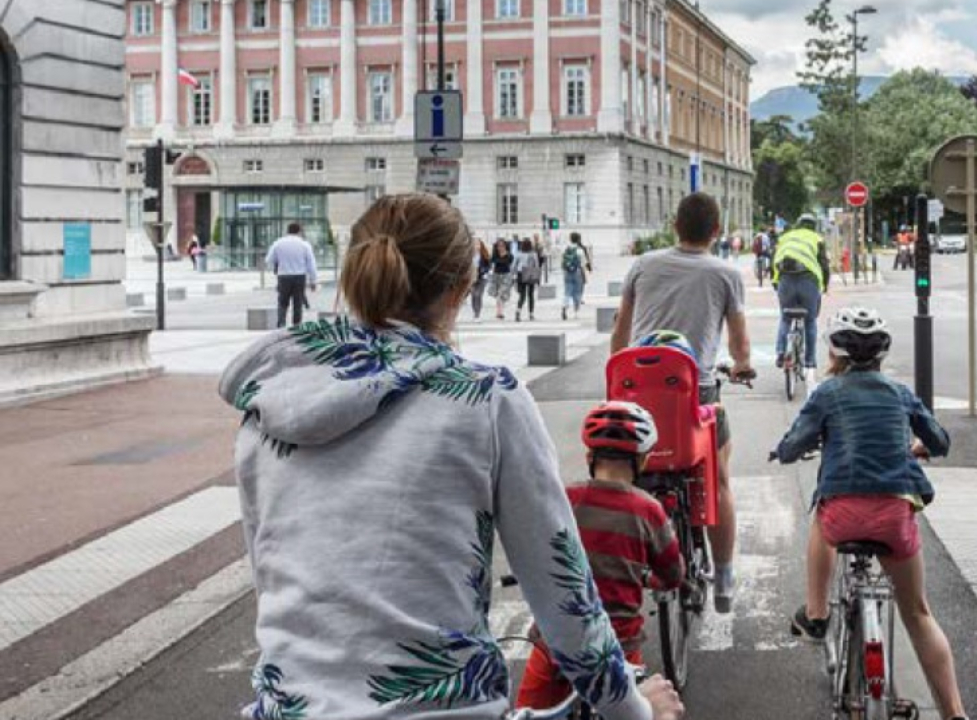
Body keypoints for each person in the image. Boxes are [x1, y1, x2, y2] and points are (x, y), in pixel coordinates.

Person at [219, 194, 683, 720]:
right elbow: (565, 598)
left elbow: (273, 574)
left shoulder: (270, 405)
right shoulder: (486, 400)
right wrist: (636, 710)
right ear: (463, 288)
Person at [772, 307, 967, 720]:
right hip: (895, 516)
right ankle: (954, 713)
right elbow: (940, 441)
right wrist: (916, 447)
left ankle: (818, 613)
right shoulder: (900, 394)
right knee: (917, 612)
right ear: (882, 353)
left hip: (843, 516)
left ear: (835, 352)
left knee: (822, 514)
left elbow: (794, 444)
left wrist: (784, 451)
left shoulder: (827, 394)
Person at [611, 191, 753, 613]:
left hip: (636, 385)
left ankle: (629, 568)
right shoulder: (725, 273)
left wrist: (617, 373)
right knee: (718, 479)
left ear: (674, 225)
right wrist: (742, 365)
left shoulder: (644, 265)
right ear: (717, 232)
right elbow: (739, 340)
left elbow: (622, 326)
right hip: (696, 389)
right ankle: (724, 575)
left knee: (633, 474)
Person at [516, 401, 685, 710]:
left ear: (589, 457)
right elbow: (673, 574)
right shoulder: (649, 511)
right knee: (643, 708)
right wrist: (650, 577)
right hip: (618, 648)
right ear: (644, 461)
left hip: (555, 645)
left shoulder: (565, 498)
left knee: (530, 712)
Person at [771, 213, 830, 371]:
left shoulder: (785, 237)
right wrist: (825, 284)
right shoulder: (817, 239)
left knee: (785, 318)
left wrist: (775, 282)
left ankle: (781, 352)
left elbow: (774, 259)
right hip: (808, 280)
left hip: (785, 280)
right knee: (810, 320)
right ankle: (810, 360)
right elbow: (824, 264)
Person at [264, 222, 318, 328]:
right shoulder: (304, 245)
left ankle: (281, 323)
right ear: (299, 231)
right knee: (297, 303)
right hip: (299, 276)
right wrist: (313, 281)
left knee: (282, 302)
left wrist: (279, 264)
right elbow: (311, 264)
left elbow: (269, 260)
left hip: (283, 276)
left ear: (287, 231)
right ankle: (296, 325)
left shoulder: (278, 243)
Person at [561, 232, 592, 320]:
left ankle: (564, 306)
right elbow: (584, 262)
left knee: (567, 291)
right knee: (577, 292)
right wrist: (588, 269)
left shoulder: (566, 249)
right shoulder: (580, 250)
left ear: (570, 239)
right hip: (577, 272)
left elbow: (563, 261)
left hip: (567, 272)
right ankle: (576, 312)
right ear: (578, 239)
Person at [513, 238, 541, 322]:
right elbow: (537, 265)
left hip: (521, 274)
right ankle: (531, 314)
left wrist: (513, 276)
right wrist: (538, 278)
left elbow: (513, 265)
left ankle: (518, 311)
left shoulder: (518, 253)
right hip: (530, 274)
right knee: (531, 295)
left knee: (522, 295)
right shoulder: (533, 254)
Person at [489, 238, 515, 320]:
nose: (500, 247)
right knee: (498, 294)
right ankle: (499, 311)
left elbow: (509, 263)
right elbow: (493, 262)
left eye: (502, 245)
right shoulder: (495, 255)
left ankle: (499, 312)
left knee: (501, 293)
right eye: (499, 246)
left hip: (506, 275)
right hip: (496, 275)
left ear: (505, 246)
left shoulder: (509, 255)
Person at [471, 237, 491, 321]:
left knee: (478, 295)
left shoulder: (484, 254)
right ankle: (475, 311)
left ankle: (477, 314)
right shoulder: (469, 255)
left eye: (478, 244)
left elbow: (488, 266)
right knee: (473, 296)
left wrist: (484, 271)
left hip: (482, 277)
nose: (476, 246)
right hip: (471, 278)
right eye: (475, 244)